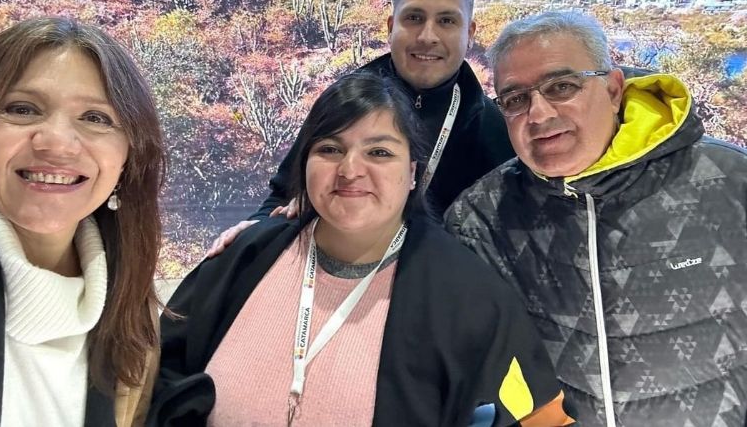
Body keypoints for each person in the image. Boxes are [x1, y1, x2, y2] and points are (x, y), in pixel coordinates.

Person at [150, 73, 572, 427]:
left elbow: (538, 417)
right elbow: (158, 372)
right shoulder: (246, 255)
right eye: (330, 149)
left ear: (412, 173)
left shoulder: (466, 293)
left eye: (379, 152)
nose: (350, 169)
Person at [445, 10, 747, 427]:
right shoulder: (481, 218)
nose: (538, 113)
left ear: (613, 89)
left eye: (562, 86)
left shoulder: (729, 183)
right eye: (515, 99)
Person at [207, 0, 514, 255]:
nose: (427, 36)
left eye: (446, 21)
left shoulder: (492, 129)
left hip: (436, 278)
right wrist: (256, 232)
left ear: (469, 33)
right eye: (414, 18)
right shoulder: (343, 102)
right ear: (391, 26)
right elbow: (284, 194)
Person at [0, 18, 166, 426]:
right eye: (22, 109)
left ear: (128, 160)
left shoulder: (133, 316)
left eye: (96, 118)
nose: (57, 143)